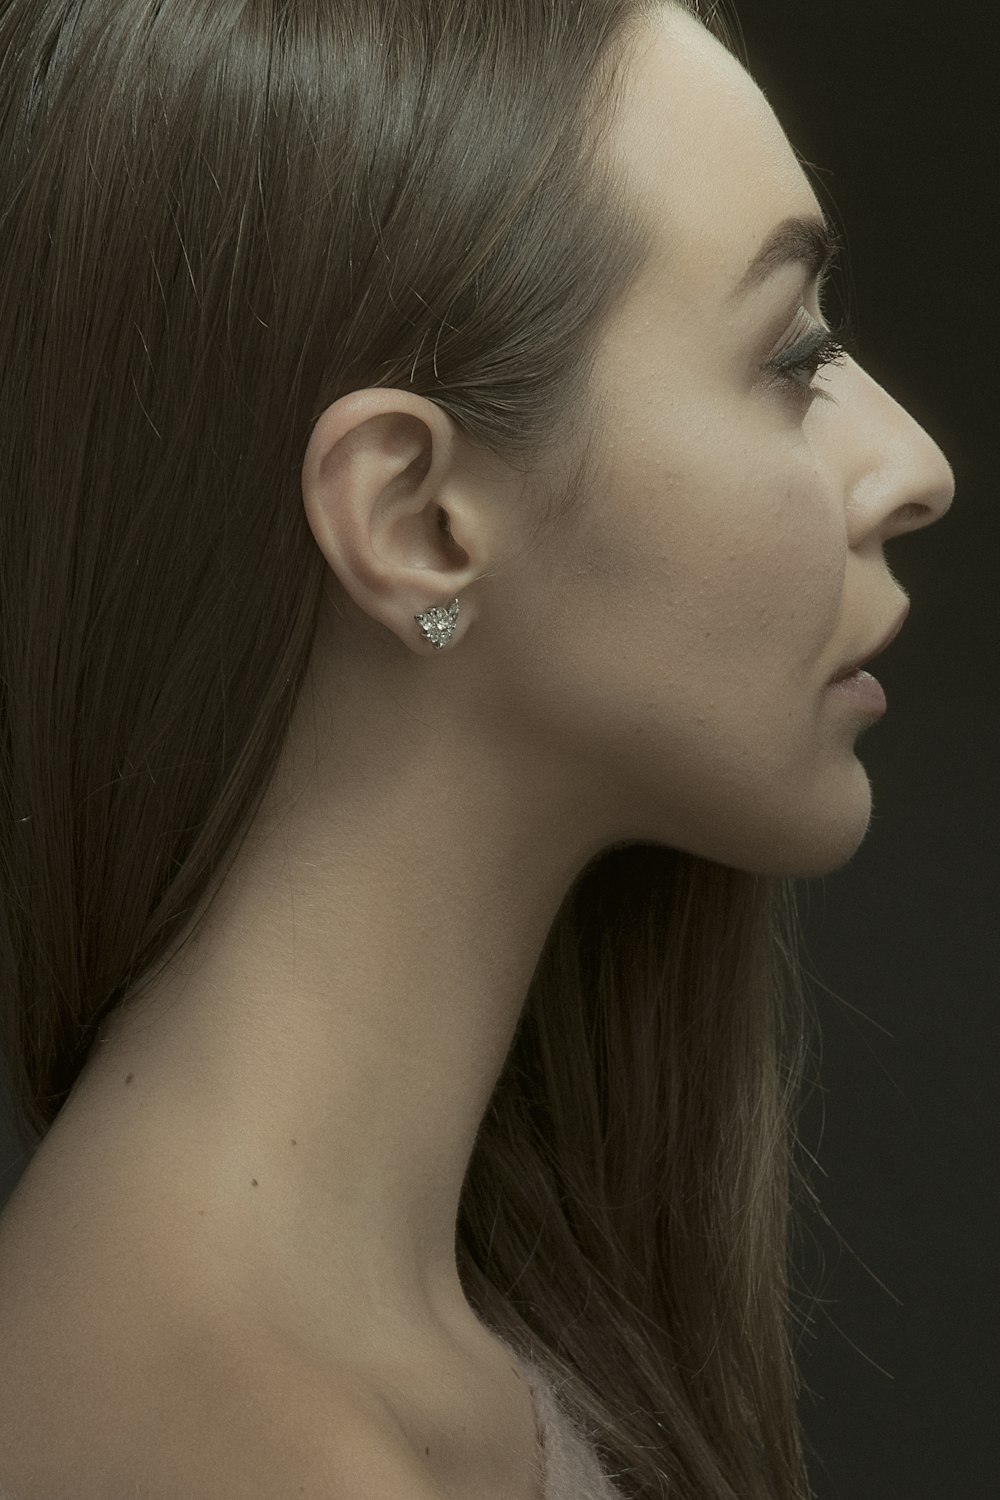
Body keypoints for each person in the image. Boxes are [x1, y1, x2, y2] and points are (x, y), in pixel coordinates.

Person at [0, 1, 954, 1498]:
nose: (914, 467)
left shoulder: (420, 1332)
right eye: (795, 353)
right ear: (419, 523)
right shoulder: (216, 1428)